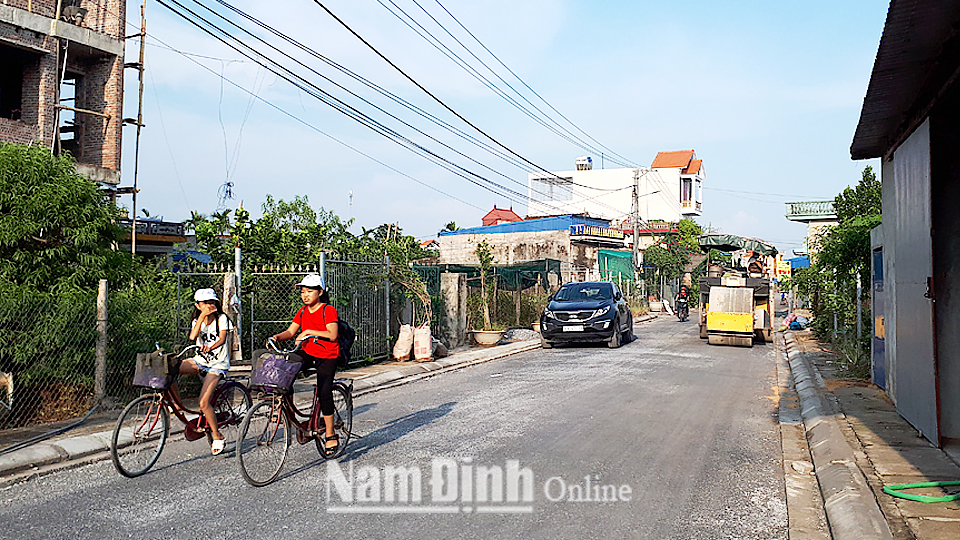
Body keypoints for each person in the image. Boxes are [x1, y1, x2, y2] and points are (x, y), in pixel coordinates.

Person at [267, 274, 341, 457]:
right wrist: (276, 337)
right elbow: (291, 332)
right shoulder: (302, 311)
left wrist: (308, 331)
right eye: (302, 291)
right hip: (308, 351)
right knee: (285, 371)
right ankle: (288, 413)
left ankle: (331, 433)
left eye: (310, 291)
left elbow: (332, 334)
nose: (305, 295)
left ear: (320, 292)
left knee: (324, 391)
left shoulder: (328, 310)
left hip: (327, 354)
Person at [173, 288, 232, 455]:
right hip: (200, 361)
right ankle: (177, 405)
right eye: (206, 303)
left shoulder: (221, 319)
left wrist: (210, 347)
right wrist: (201, 317)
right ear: (198, 305)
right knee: (169, 369)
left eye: (212, 302)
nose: (210, 305)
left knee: (203, 403)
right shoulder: (196, 320)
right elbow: (192, 337)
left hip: (218, 363)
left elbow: (222, 339)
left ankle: (217, 435)